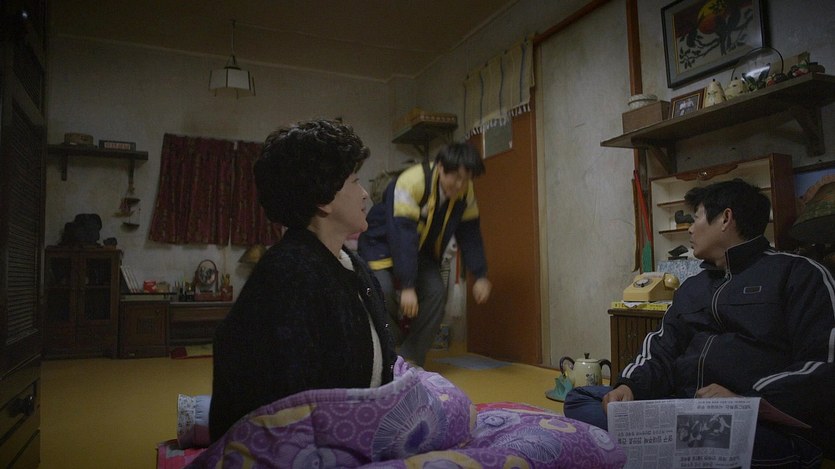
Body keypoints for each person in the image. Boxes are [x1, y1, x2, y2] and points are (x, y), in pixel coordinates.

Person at [564, 178, 835, 467]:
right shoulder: (693, 287)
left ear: (725, 219)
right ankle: (666, 446)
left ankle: (653, 446)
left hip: (757, 422)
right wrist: (630, 386)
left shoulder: (798, 274)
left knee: (701, 436)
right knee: (582, 398)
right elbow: (661, 349)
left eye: (696, 218)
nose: (690, 229)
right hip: (685, 410)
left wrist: (745, 400)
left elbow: (822, 364)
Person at [208, 119, 397, 442]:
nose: (365, 193)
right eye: (355, 181)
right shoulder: (287, 276)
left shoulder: (352, 264)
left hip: (358, 431)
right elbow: (281, 404)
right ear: (324, 199)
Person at [358, 143, 492, 366]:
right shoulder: (411, 182)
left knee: (436, 292)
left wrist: (480, 275)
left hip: (418, 250)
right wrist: (408, 285)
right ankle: (390, 351)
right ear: (440, 167)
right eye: (456, 177)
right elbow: (402, 235)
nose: (460, 185)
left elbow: (470, 234)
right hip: (380, 242)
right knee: (381, 291)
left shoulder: (465, 193)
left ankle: (411, 357)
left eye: (466, 179)